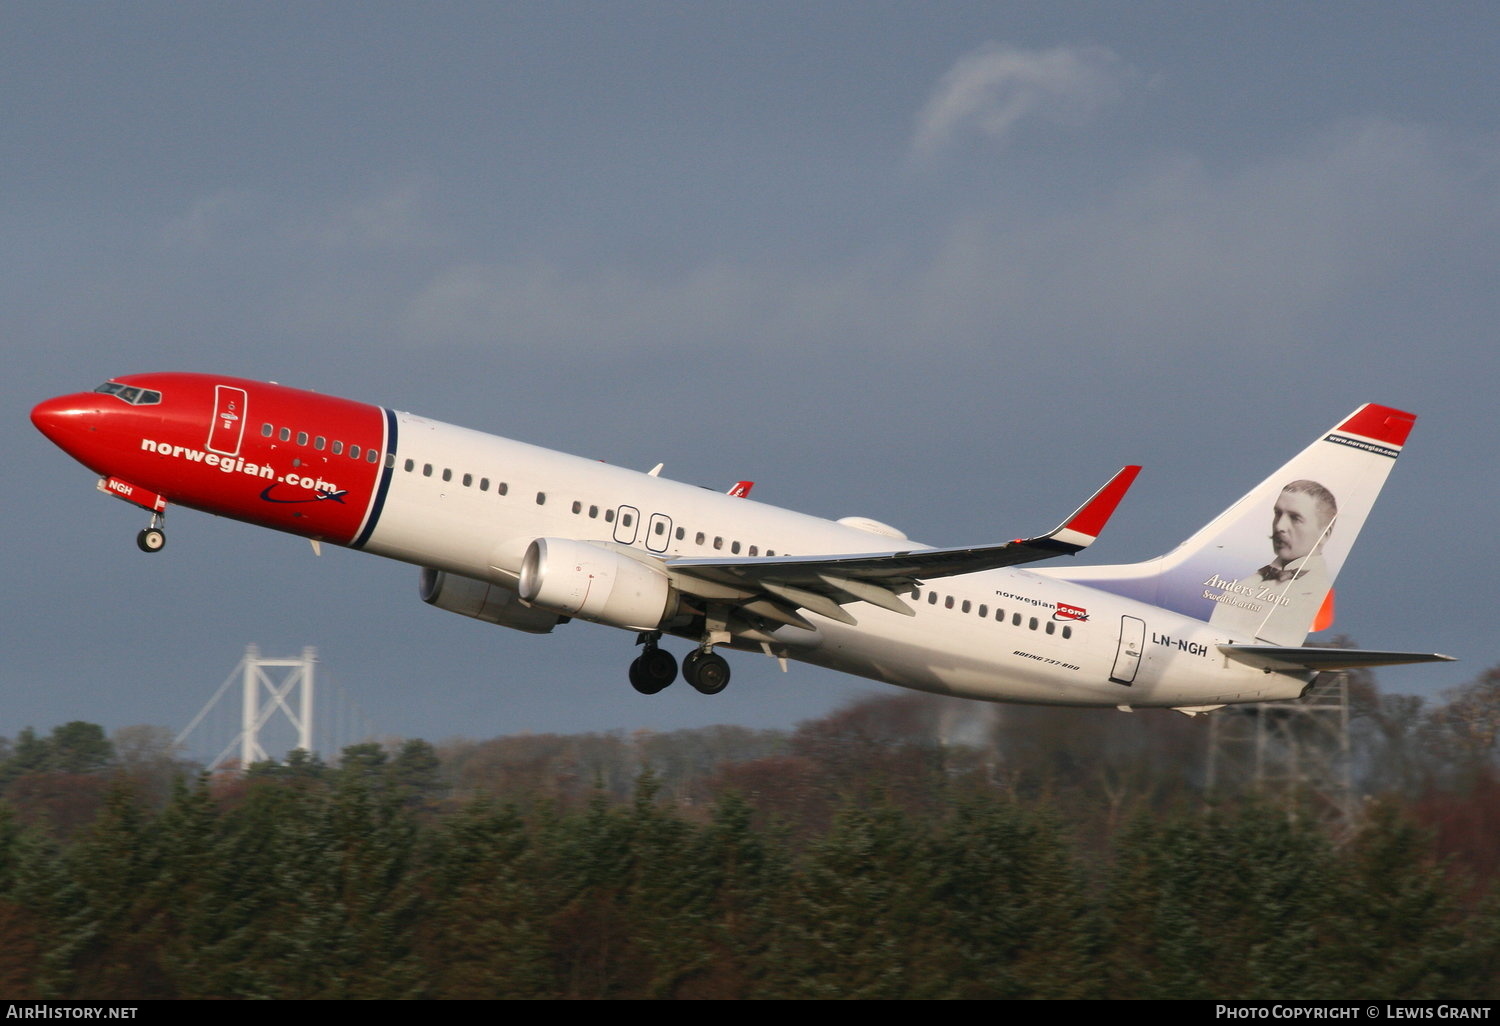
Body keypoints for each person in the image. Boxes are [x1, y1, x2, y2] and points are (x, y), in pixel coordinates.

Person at [1209, 480, 1337, 642]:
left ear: (1325, 533)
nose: (1280, 526)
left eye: (1295, 518)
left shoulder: (1314, 595)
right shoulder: (1247, 584)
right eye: (1278, 513)